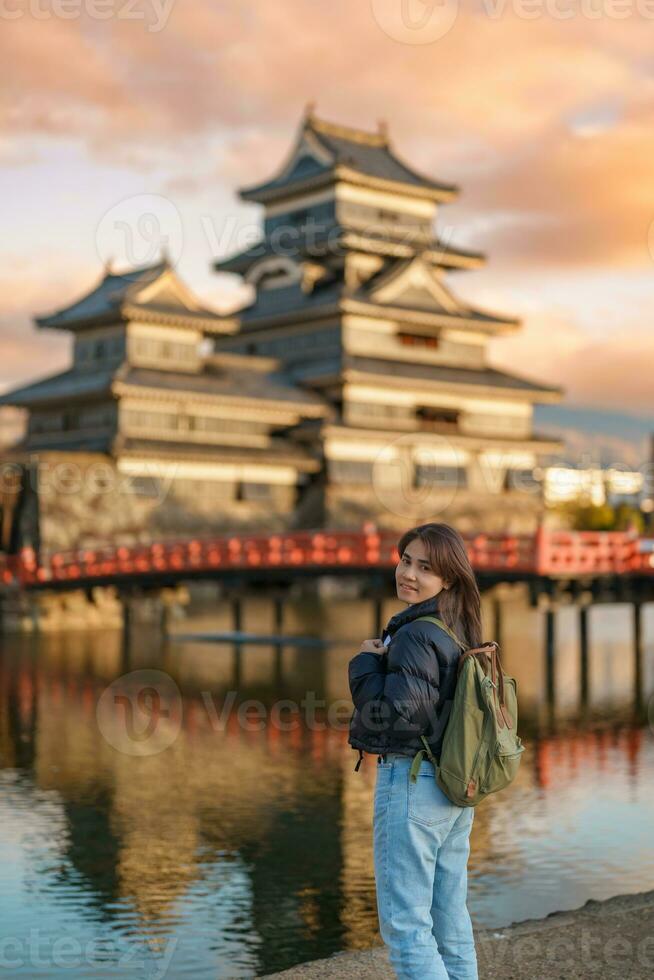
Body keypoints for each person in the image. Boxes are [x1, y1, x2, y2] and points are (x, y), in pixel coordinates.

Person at [348, 522, 482, 980]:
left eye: (426, 567)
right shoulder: (456, 626)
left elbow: (398, 717)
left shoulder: (414, 635)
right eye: (406, 560)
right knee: (449, 922)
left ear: (448, 578)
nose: (409, 573)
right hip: (452, 786)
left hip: (413, 784)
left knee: (407, 930)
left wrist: (365, 666)